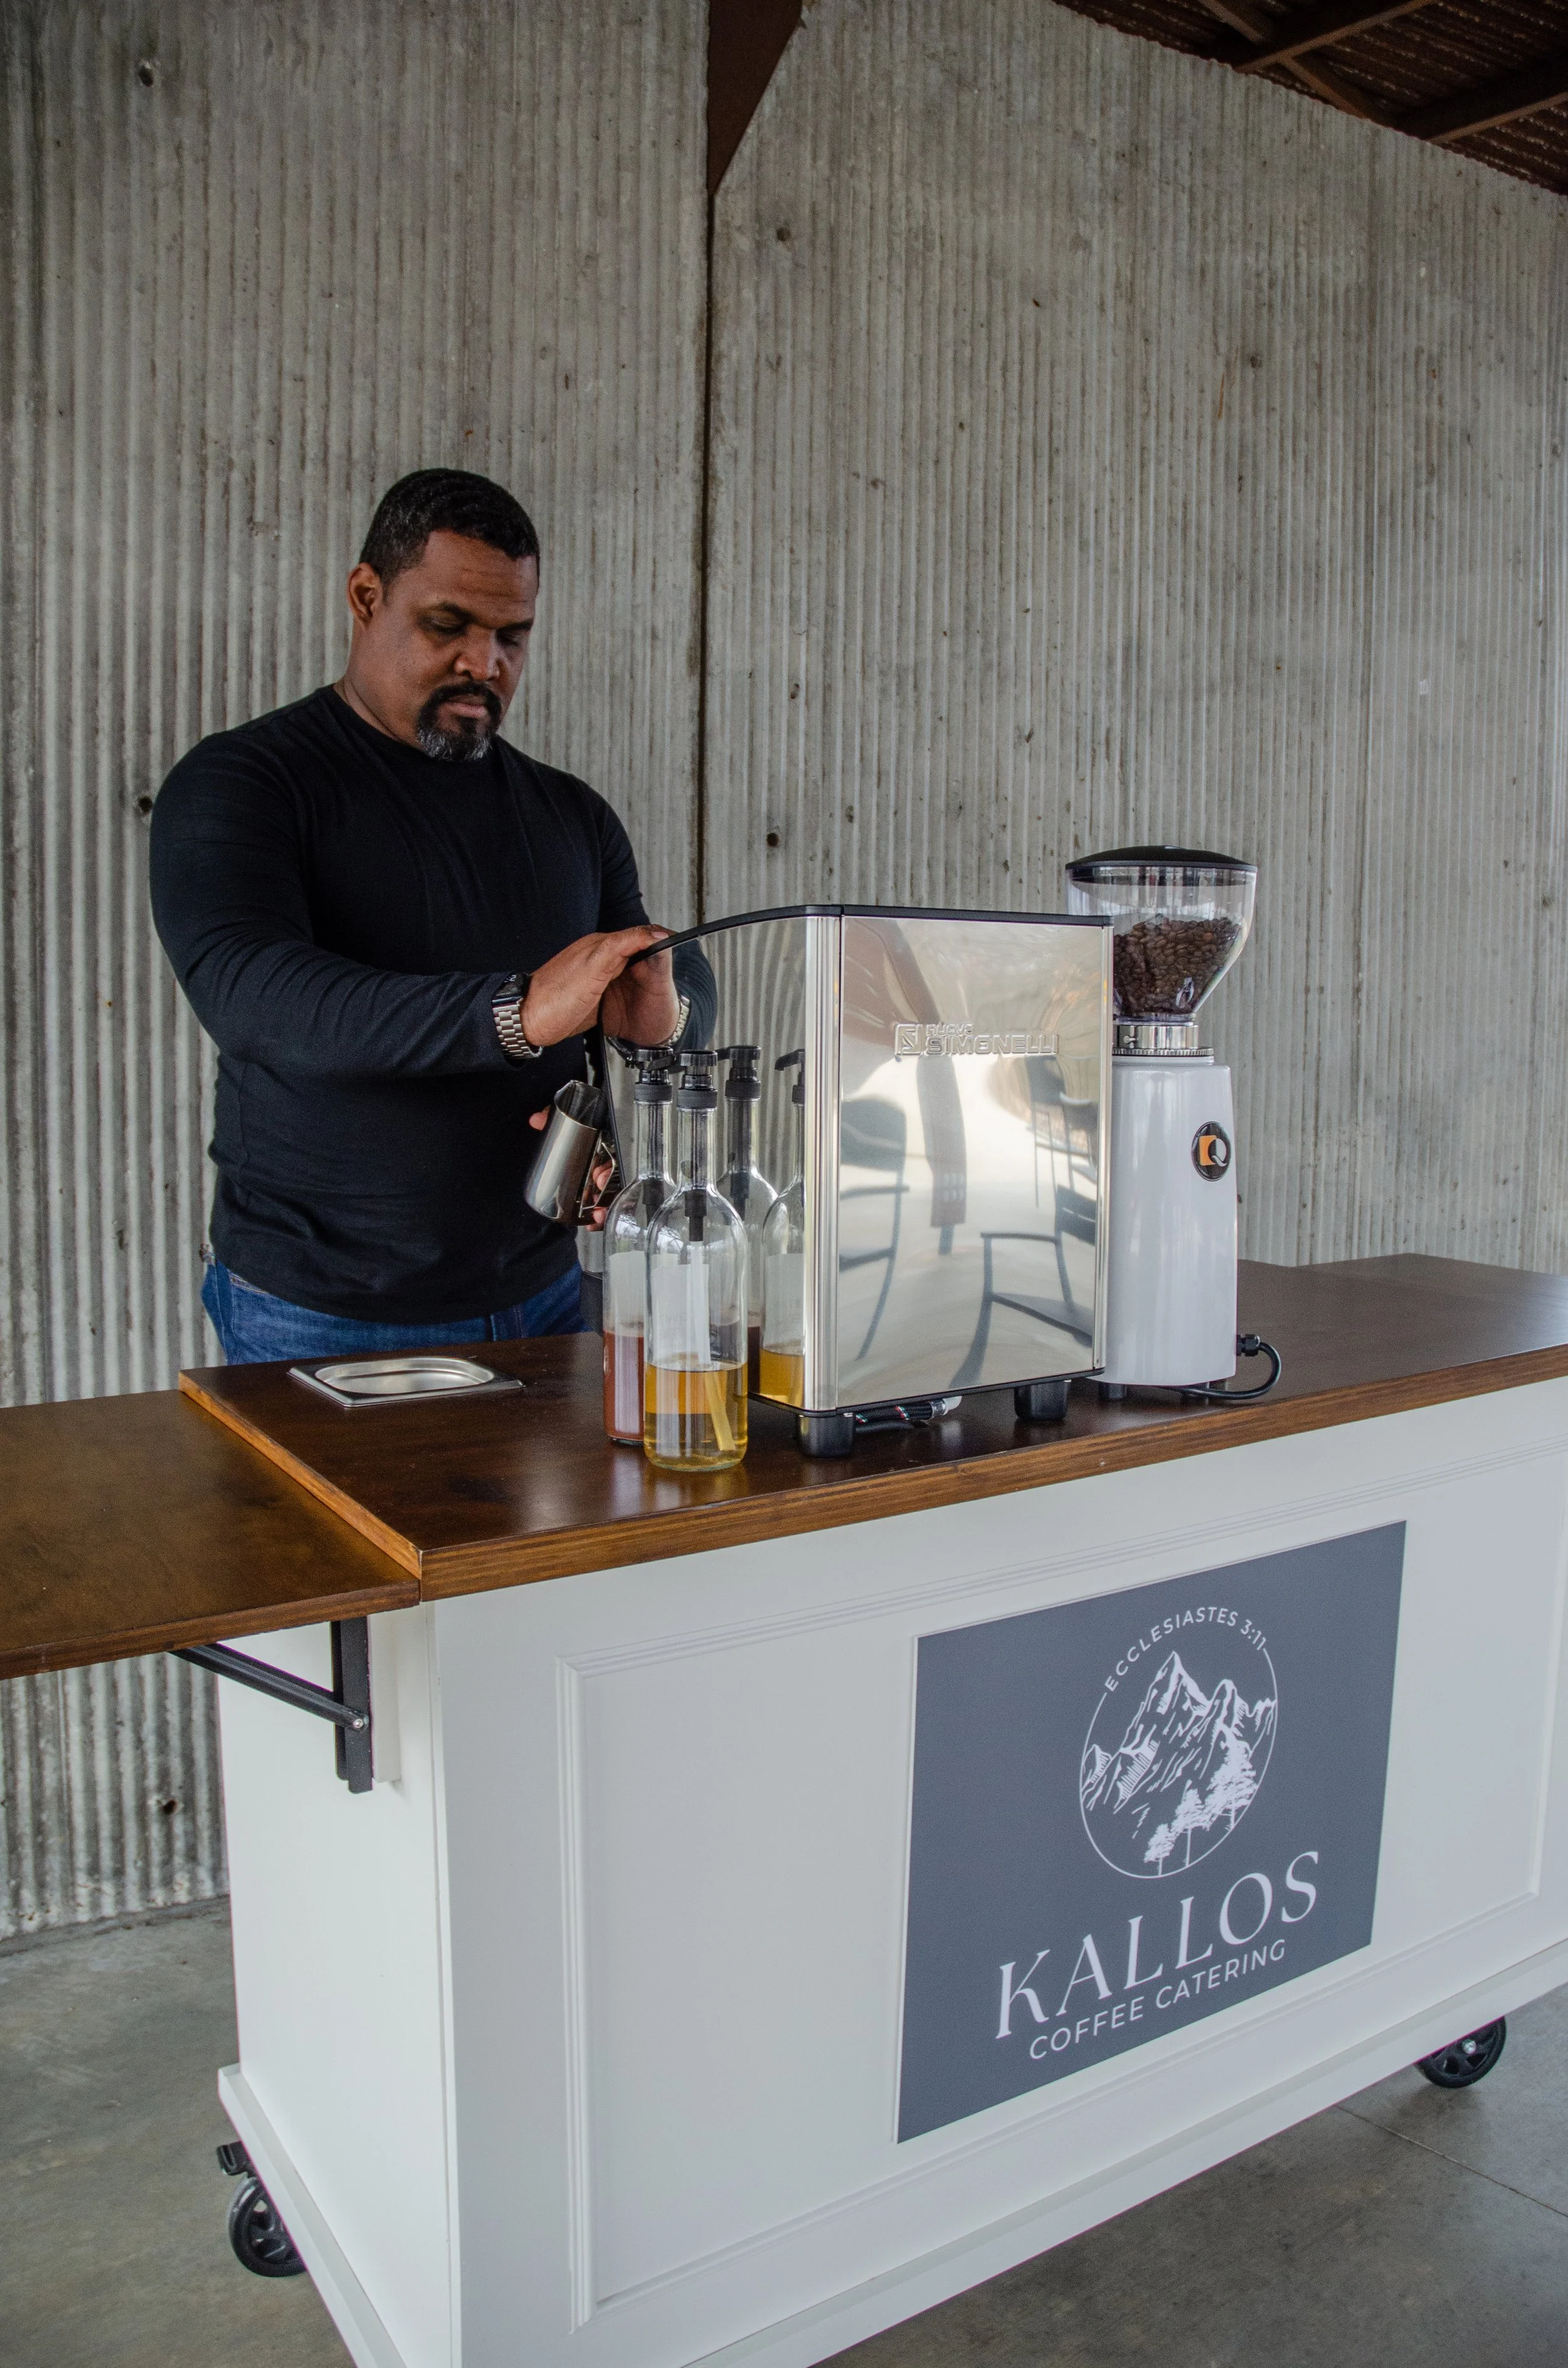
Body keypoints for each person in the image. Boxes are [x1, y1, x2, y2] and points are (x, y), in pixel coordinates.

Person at [151, 467, 703, 1364]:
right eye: (449, 626)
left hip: (547, 1291)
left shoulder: (571, 815)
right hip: (323, 1311)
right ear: (366, 596)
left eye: (512, 638)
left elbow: (656, 965)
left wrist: (661, 1028)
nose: (484, 664)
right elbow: (258, 998)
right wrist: (518, 1014)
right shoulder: (243, 786)